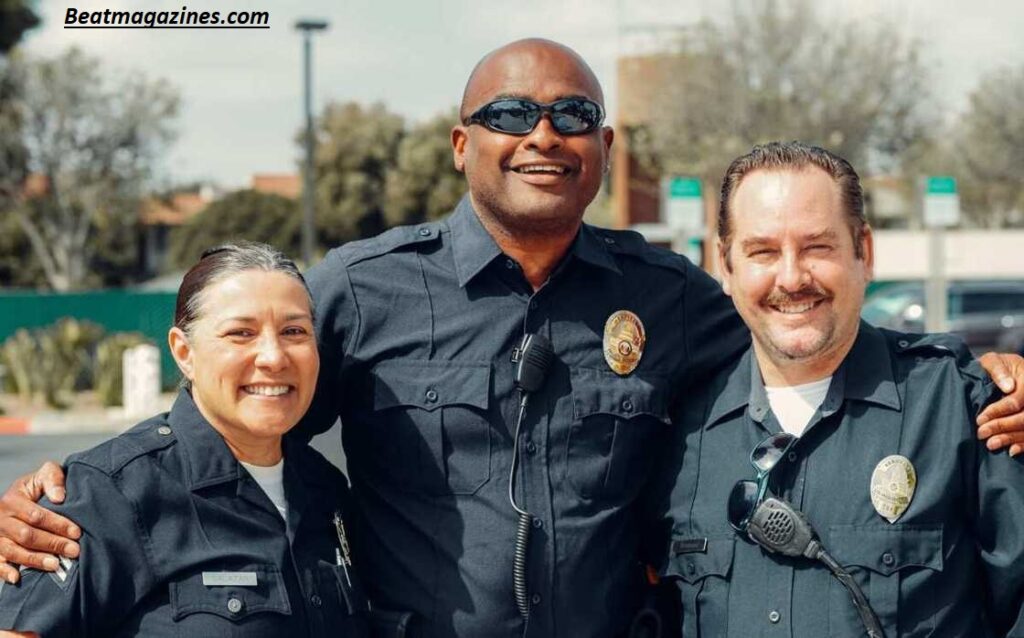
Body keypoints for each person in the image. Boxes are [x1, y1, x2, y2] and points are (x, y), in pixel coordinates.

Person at [2, 40, 1024, 638]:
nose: (544, 133)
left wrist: (981, 372)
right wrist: (73, 493)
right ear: (462, 144)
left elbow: (802, 325)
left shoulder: (668, 293)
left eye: (573, 113)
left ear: (604, 148)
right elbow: (239, 410)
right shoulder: (361, 285)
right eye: (511, 112)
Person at [659, 142, 1024, 637]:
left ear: (864, 253)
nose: (792, 277)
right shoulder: (678, 433)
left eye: (817, 247)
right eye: (763, 251)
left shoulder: (963, 408)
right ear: (725, 266)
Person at [0, 243, 369, 637]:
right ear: (184, 352)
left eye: (293, 331)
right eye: (241, 333)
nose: (274, 357)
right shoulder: (109, 494)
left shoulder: (326, 491)